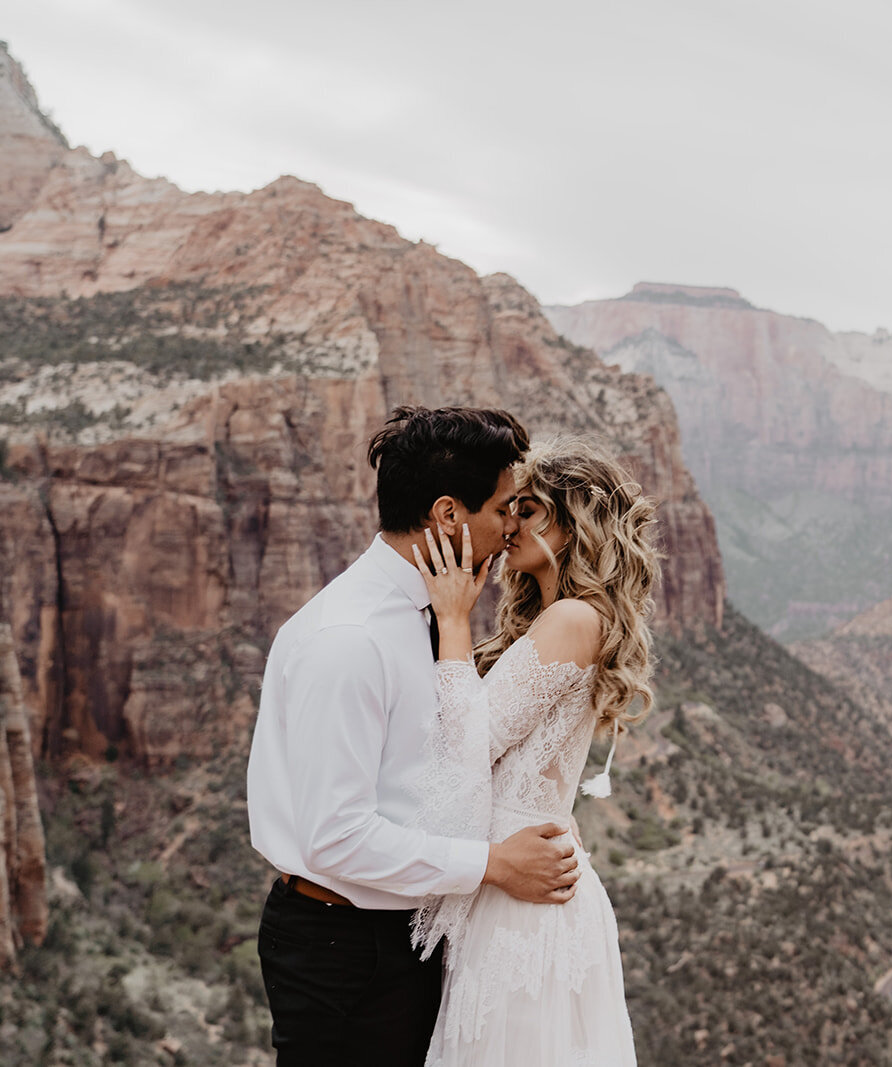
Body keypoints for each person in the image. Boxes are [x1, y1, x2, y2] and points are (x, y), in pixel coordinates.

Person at [247, 407, 583, 1066]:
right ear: (448, 515)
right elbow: (337, 835)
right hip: (345, 948)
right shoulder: (349, 641)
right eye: (504, 508)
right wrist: (494, 864)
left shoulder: (430, 611)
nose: (512, 526)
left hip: (406, 934)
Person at [408, 434, 658, 1065]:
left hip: (521, 897)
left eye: (529, 510)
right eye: (510, 508)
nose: (508, 524)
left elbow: (470, 745)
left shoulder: (573, 618)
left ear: (573, 525)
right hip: (518, 874)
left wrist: (455, 621)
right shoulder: (562, 617)